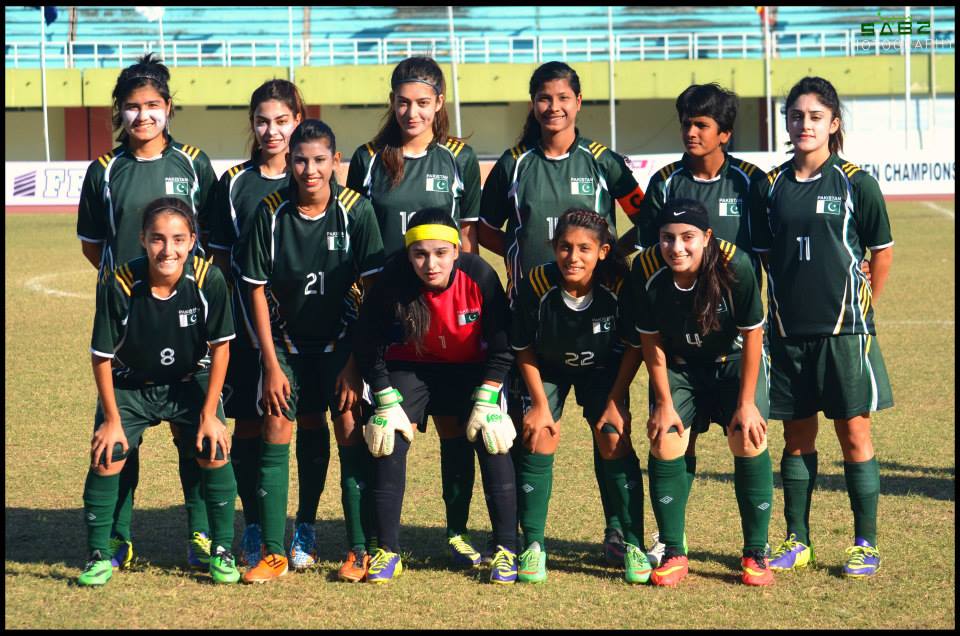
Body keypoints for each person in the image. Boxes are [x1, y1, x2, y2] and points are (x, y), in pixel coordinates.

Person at [478, 61, 647, 565]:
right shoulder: (514, 163)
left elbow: (645, 215)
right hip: (534, 324)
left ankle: (620, 533)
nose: (554, 107)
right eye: (544, 98)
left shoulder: (603, 160)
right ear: (534, 104)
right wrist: (519, 254)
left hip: (599, 324)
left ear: (578, 102)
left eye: (563, 97)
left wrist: (613, 258)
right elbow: (485, 228)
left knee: (611, 430)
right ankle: (522, 538)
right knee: (529, 433)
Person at [75, 53, 219, 573]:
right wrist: (128, 289)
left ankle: (202, 534)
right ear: (121, 112)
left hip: (187, 325)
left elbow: (211, 244)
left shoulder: (194, 164)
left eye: (153, 106)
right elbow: (96, 247)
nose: (143, 117)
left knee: (197, 435)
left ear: (169, 108)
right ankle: (116, 538)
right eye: (133, 108)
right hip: (127, 328)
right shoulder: (104, 171)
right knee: (117, 439)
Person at [750, 77, 894, 578]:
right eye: (795, 115)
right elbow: (765, 259)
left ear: (834, 124)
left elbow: (881, 251)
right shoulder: (770, 186)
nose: (803, 124)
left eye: (814, 116)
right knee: (796, 438)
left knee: (854, 434)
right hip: (788, 334)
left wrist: (863, 304)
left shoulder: (856, 182)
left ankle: (865, 542)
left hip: (845, 332)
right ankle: (798, 540)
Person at [346, 55, 487, 567]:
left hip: (444, 313)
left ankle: (455, 530)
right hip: (385, 313)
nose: (412, 112)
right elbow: (355, 237)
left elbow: (467, 240)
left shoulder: (458, 158)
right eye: (403, 102)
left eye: (422, 103)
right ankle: (372, 539)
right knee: (382, 426)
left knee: (455, 426)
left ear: (439, 105)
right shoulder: (367, 158)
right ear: (392, 102)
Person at [619, 83, 767, 566]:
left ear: (724, 132)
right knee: (674, 436)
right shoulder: (664, 181)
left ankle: (757, 546)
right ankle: (671, 540)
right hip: (677, 336)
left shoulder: (750, 181)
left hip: (733, 332)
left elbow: (770, 249)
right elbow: (644, 247)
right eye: (686, 122)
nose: (690, 132)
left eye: (701, 124)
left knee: (747, 432)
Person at [237, 119, 385, 584]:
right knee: (278, 422)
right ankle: (275, 552)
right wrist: (269, 361)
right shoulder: (270, 211)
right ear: (290, 162)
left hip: (341, 343)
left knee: (346, 423)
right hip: (284, 343)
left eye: (320, 159)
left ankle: (359, 549)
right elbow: (256, 290)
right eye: (300, 159)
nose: (309, 169)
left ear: (335, 161)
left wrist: (355, 362)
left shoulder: (356, 211)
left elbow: (374, 290)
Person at [78, 197, 239, 587]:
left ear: (192, 240)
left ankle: (218, 547)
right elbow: (101, 356)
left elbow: (221, 347)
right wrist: (112, 420)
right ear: (142, 240)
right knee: (108, 452)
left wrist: (209, 414)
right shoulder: (119, 282)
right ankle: (101, 551)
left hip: (189, 379)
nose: (168, 249)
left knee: (213, 446)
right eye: (157, 239)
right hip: (130, 382)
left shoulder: (208, 279)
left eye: (178, 239)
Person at [353, 209, 518, 584]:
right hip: (412, 365)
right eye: (420, 254)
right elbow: (367, 340)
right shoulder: (392, 278)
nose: (431, 264)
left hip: (470, 367)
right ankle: (386, 550)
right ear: (408, 254)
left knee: (493, 435)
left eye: (441, 253)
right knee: (385, 434)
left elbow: (503, 344)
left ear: (457, 251)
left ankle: (505, 548)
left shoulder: (479, 275)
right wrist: (383, 395)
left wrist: (489, 394)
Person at [207, 79, 323, 570]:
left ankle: (308, 525)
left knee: (312, 421)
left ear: (299, 119)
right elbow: (217, 260)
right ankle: (254, 525)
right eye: (261, 121)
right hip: (249, 334)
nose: (271, 131)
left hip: (310, 334)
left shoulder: (312, 178)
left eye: (281, 120)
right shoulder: (234, 182)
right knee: (252, 425)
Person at [630, 198, 773, 587]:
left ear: (707, 237)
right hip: (679, 365)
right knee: (665, 439)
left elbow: (753, 334)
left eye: (688, 238)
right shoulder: (645, 269)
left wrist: (745, 404)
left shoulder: (737, 265)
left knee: (748, 435)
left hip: (733, 361)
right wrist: (662, 402)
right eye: (667, 238)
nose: (677, 248)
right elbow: (651, 342)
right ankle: (674, 551)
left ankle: (756, 553)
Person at [510, 208, 649, 584]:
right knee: (539, 436)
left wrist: (616, 399)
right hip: (546, 368)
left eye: (584, 249)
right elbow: (522, 346)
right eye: (566, 248)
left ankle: (631, 542)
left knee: (612, 436)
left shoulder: (618, 284)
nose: (574, 257)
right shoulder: (537, 282)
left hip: (604, 369)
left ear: (603, 251)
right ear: (554, 248)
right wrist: (540, 405)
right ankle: (534, 545)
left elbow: (635, 345)